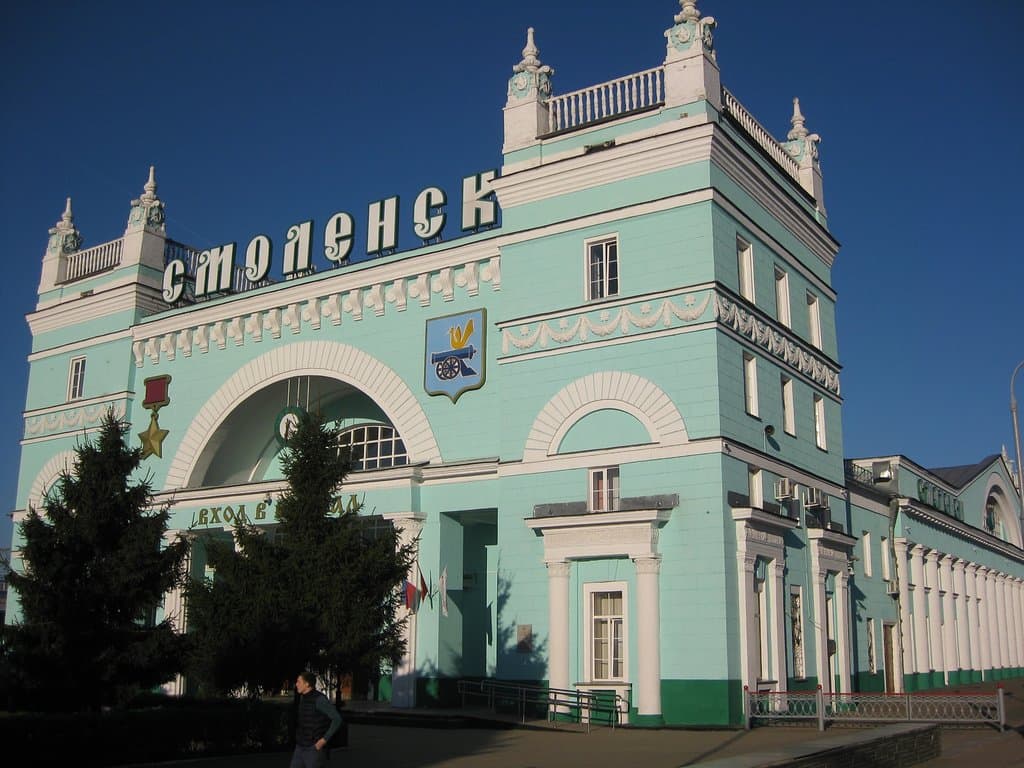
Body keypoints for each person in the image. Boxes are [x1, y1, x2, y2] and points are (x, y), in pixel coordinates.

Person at [290, 670, 343, 768]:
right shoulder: (303, 698)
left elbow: (337, 719)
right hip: (300, 746)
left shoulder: (320, 700)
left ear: (307, 684)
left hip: (312, 748)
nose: (296, 684)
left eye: (299, 682)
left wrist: (323, 740)